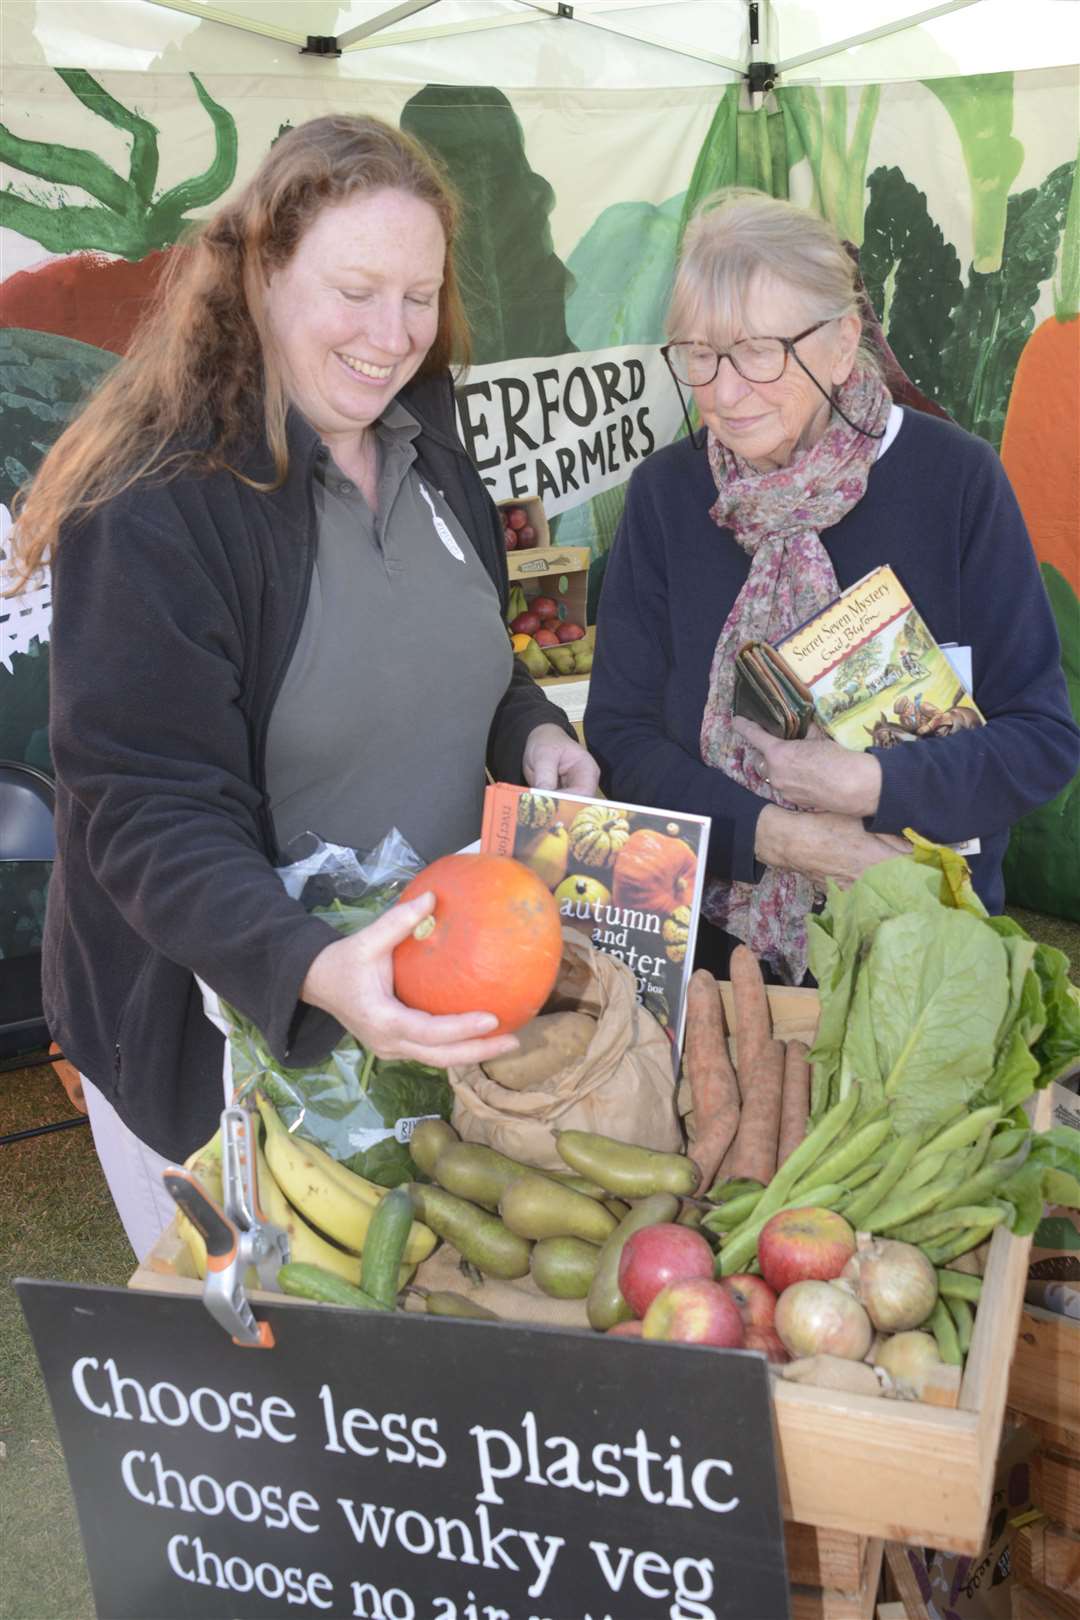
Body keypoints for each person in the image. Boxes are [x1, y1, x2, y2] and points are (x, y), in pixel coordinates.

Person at [10, 115, 598, 1257]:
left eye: (419, 296)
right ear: (260, 277)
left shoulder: (428, 436)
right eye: (356, 291)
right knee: (252, 1393)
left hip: (418, 985)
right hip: (217, 1026)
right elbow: (142, 803)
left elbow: (465, 645)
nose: (392, 336)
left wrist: (527, 729)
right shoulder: (156, 501)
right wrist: (314, 965)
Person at [584, 188, 1079, 986]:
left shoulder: (953, 481)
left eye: (758, 351)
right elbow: (622, 738)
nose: (723, 391)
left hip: (918, 944)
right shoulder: (667, 498)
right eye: (699, 354)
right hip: (713, 959)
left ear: (844, 343)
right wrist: (781, 835)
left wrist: (876, 784)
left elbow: (1042, 741)